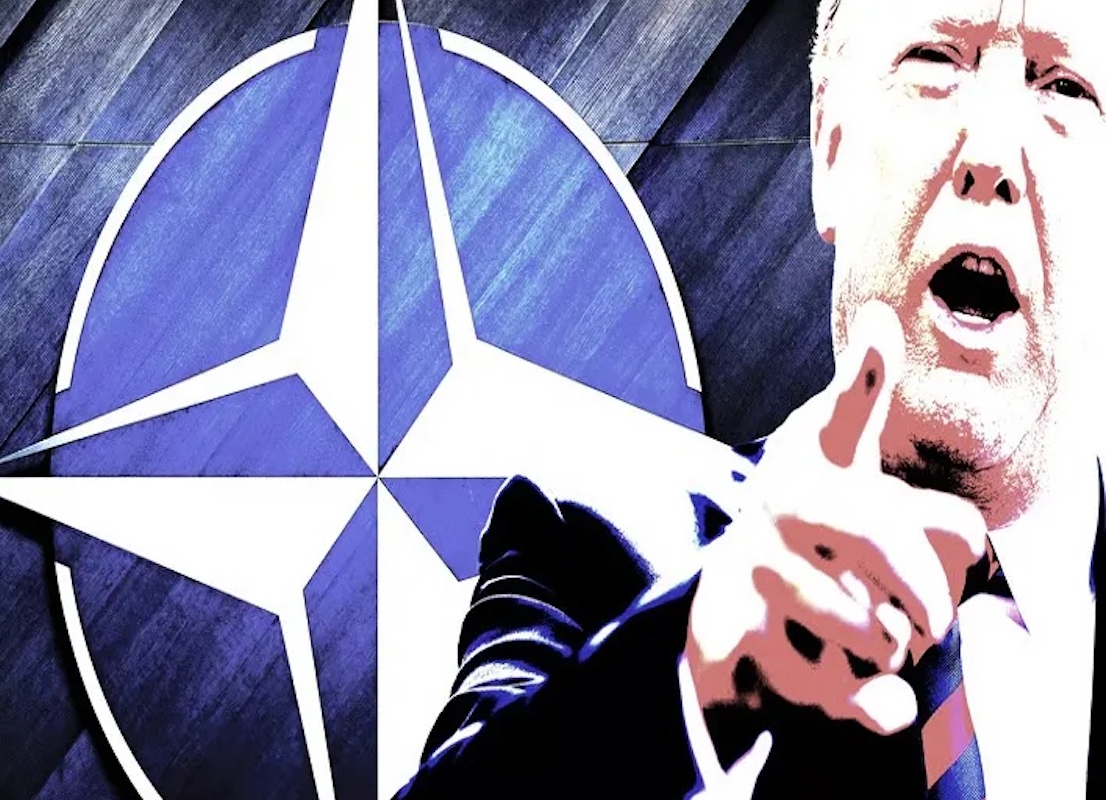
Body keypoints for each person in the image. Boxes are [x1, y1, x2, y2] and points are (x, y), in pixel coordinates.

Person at [393, 0, 1104, 796]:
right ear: (829, 148)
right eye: (936, 60)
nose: (993, 151)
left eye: (1066, 87)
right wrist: (694, 678)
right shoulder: (587, 547)